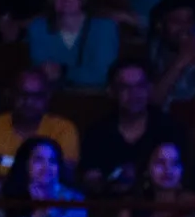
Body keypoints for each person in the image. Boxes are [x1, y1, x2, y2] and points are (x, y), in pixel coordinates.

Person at [78, 60, 183, 199]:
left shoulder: (169, 129)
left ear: (149, 88)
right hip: (109, 205)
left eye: (140, 86)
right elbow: (90, 181)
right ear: (112, 91)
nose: (134, 93)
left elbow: (181, 181)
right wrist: (111, 183)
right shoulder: (97, 133)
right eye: (125, 87)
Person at [0, 67, 80, 190]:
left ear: (47, 97)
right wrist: (34, 182)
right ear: (11, 95)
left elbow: (63, 181)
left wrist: (6, 183)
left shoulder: (63, 130)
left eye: (36, 96)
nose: (29, 102)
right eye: (22, 95)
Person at [26, 0, 119, 91]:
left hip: (94, 97)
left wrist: (63, 71)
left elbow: (102, 73)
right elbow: (42, 73)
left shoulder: (105, 28)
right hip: (52, 97)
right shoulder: (39, 28)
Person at [117, 141, 195, 217]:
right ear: (147, 167)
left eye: (175, 163)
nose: (168, 170)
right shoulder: (133, 208)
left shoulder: (194, 208)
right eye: (160, 163)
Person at [0, 135, 87, 217]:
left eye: (52, 161)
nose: (46, 167)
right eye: (38, 160)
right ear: (25, 164)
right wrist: (37, 213)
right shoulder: (7, 197)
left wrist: (46, 211)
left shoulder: (74, 200)